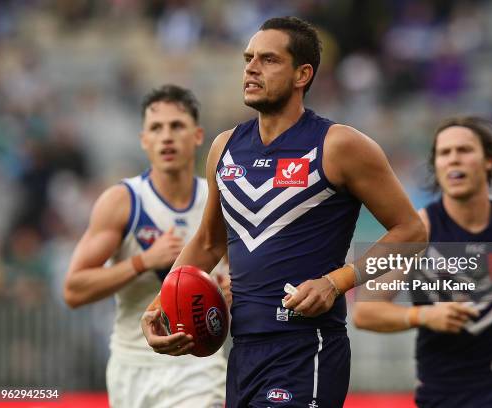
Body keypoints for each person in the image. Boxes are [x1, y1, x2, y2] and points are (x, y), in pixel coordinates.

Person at [140, 16, 427, 408]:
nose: (252, 68)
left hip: (306, 347)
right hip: (243, 351)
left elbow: (411, 232)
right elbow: (209, 242)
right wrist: (161, 304)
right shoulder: (224, 148)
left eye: (269, 59)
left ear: (302, 74)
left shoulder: (339, 145)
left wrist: (336, 282)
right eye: (248, 58)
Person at [353, 116, 492, 408]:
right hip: (440, 392)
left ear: (489, 161)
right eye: (444, 153)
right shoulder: (418, 232)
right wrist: (423, 317)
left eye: (464, 150)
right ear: (437, 167)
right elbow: (365, 311)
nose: (454, 159)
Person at [63, 85, 227, 408]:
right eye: (156, 128)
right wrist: (141, 262)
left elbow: (238, 273)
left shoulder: (217, 199)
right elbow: (73, 290)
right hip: (133, 365)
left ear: (197, 136)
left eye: (177, 126)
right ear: (144, 140)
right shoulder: (123, 202)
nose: (167, 136)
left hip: (198, 366)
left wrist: (228, 288)